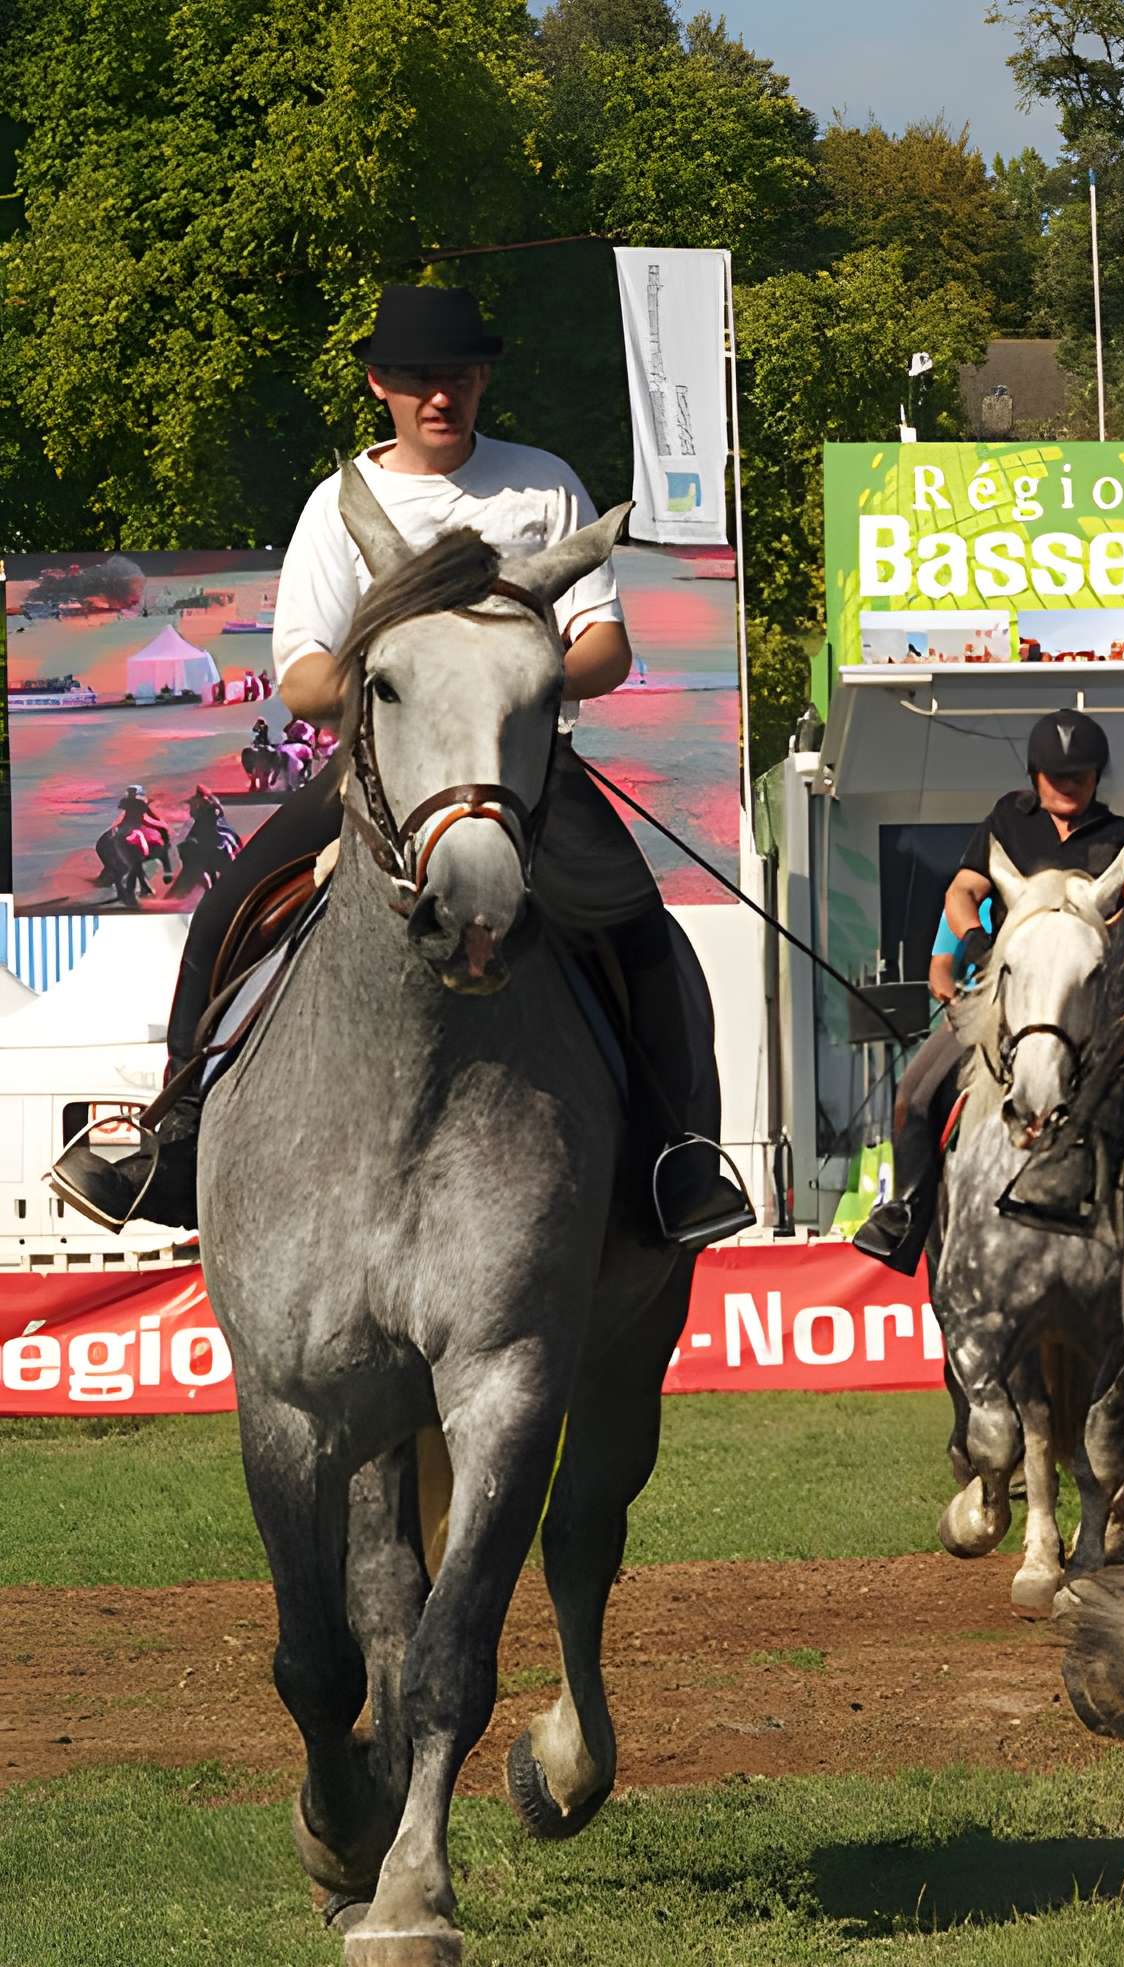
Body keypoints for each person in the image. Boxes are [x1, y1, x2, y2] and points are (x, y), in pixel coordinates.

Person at [50, 284, 755, 1247]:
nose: (442, 395)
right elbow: (303, 677)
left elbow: (605, 647)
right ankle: (175, 1147)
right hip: (380, 778)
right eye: (421, 378)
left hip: (527, 776)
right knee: (222, 913)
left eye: (460, 375)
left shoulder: (544, 486)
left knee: (640, 929)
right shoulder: (338, 504)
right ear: (381, 383)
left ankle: (679, 1162)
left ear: (482, 380)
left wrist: (507, 672)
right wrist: (416, 683)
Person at [854, 707, 1124, 1273]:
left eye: (1081, 775)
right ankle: (906, 1213)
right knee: (915, 1093)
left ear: (1097, 777)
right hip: (1005, 996)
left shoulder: (1123, 838)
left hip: (1087, 1008)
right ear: (1035, 776)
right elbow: (962, 892)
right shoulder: (1007, 821)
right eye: (1057, 776)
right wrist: (978, 944)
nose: (1069, 785)